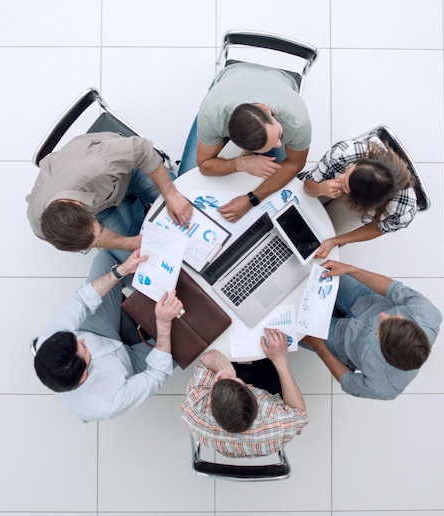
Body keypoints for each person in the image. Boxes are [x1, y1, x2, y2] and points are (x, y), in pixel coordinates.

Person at [33, 248, 183, 421]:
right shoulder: (106, 404)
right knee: (185, 342)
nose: (81, 340)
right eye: (82, 347)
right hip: (132, 364)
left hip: (98, 331)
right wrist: (163, 324)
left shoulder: (50, 340)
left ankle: (153, 280)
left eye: (76, 339)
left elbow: (81, 301)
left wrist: (121, 271)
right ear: (83, 376)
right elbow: (156, 375)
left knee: (107, 258)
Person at [26, 132, 193, 261]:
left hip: (126, 173)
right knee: (132, 258)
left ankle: (138, 202)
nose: (98, 238)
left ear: (79, 205)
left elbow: (142, 150)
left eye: (97, 231)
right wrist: (132, 243)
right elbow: (92, 235)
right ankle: (136, 208)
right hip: (102, 204)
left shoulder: (99, 164)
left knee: (186, 205)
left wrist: (170, 194)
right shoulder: (40, 225)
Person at [178, 62, 311, 223]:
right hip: (227, 86)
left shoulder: (297, 121)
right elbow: (204, 165)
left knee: (279, 188)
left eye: (278, 136)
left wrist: (252, 198)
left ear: (266, 110)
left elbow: (295, 163)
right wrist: (240, 163)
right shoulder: (212, 115)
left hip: (278, 81)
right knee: (186, 180)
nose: (278, 145)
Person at [301, 260, 442, 400]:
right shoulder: (426, 313)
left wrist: (320, 348)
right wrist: (350, 269)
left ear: (383, 351)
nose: (382, 315)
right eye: (394, 317)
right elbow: (392, 288)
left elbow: (348, 382)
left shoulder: (384, 387)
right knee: (319, 267)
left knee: (291, 329)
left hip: (341, 341)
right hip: (363, 300)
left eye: (380, 327)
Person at [181, 329, 308, 458]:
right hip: (264, 383)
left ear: (209, 401)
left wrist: (226, 369)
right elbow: (300, 414)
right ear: (256, 399)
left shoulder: (194, 412)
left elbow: (207, 358)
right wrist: (280, 359)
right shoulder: (275, 423)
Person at [297, 138, 417, 256]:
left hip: (367, 208)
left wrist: (335, 241)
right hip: (320, 182)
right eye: (348, 171)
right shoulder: (344, 153)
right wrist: (320, 188)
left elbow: (378, 229)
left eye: (345, 186)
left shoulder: (403, 211)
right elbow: (305, 186)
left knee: (319, 238)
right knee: (298, 204)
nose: (340, 178)